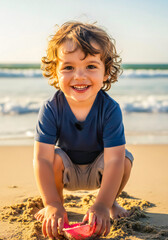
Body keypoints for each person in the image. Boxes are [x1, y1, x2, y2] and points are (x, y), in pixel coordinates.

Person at [33, 21, 134, 239]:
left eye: (90, 66)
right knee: (53, 157)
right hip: (67, 170)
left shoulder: (110, 109)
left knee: (124, 159)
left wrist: (101, 205)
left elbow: (114, 161)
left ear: (106, 72)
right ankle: (57, 205)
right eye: (68, 67)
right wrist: (50, 202)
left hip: (101, 169)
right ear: (55, 72)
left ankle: (110, 201)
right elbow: (41, 159)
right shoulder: (51, 108)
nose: (79, 76)